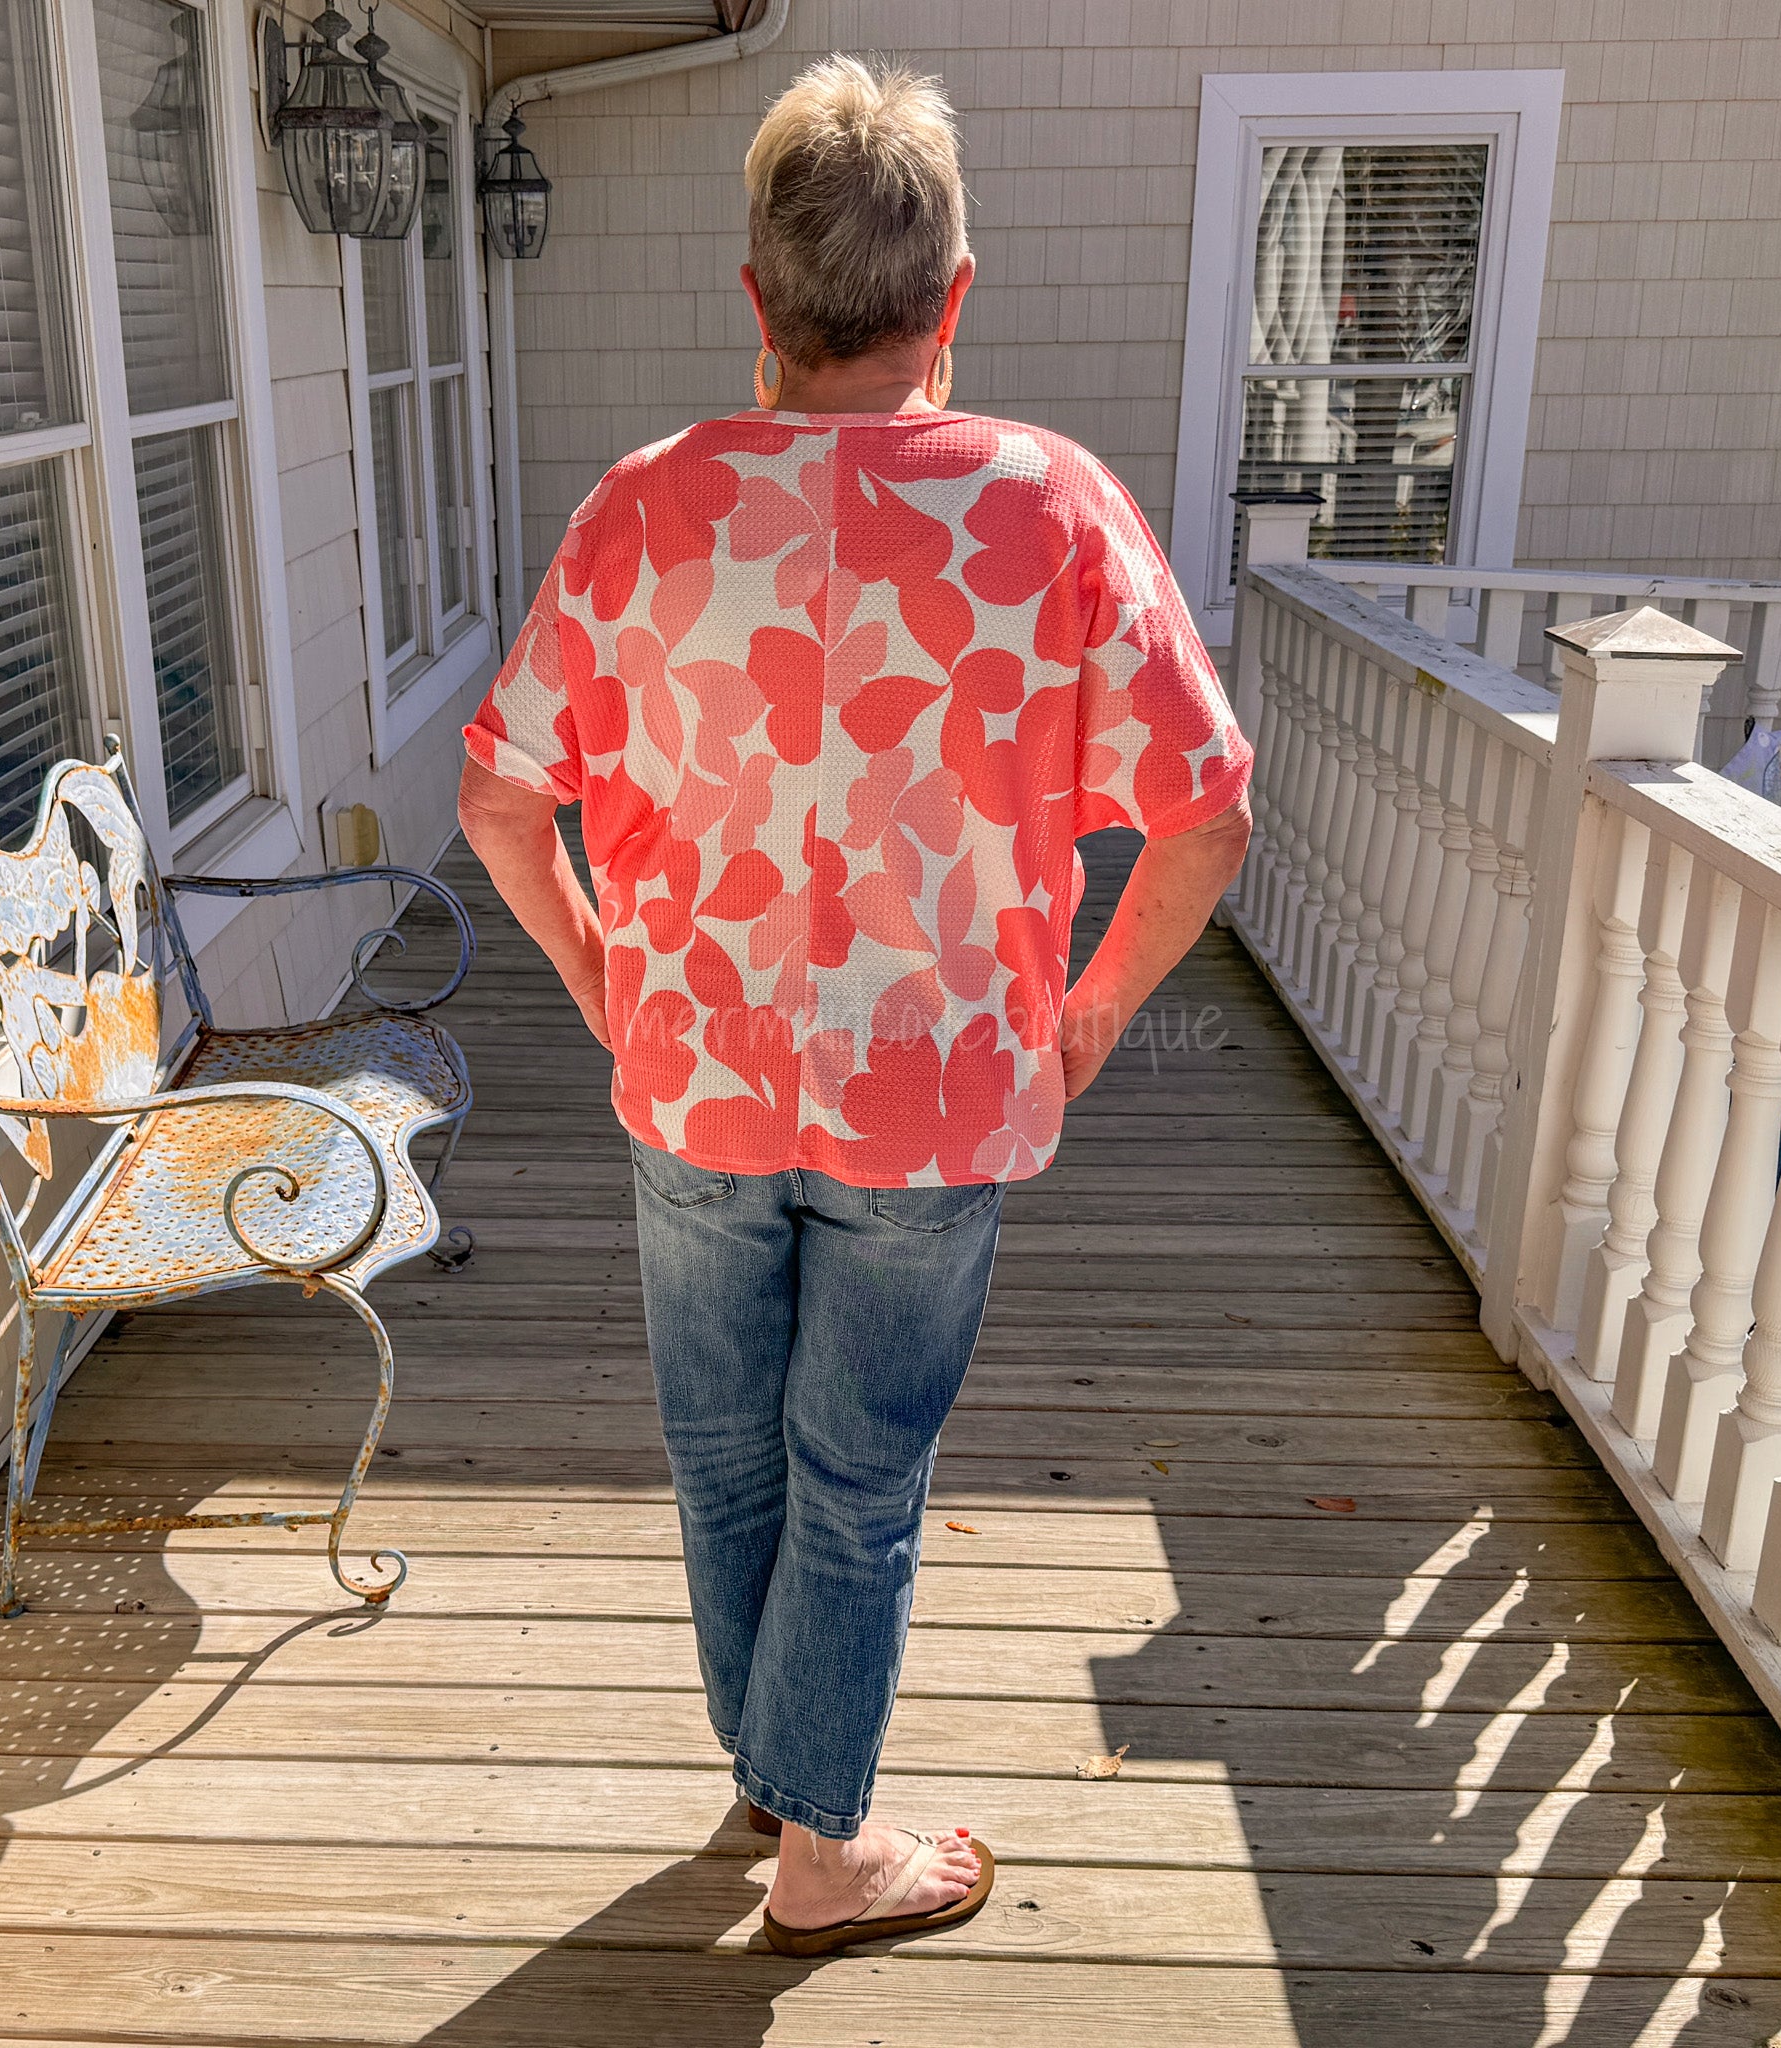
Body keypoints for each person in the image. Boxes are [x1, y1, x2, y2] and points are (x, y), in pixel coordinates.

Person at [458, 54, 1251, 1959]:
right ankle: (823, 1849)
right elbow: (1204, 812)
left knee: (730, 1458)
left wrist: (593, 974)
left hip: (692, 1085)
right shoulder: (1049, 510)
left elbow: (500, 788)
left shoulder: (646, 511)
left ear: (759, 306)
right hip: (939, 1098)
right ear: (949, 301)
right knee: (858, 1477)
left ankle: (775, 1768)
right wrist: (1083, 1014)